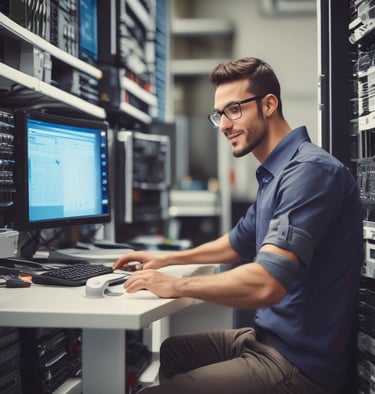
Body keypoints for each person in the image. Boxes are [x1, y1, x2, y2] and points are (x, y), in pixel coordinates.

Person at [113, 57, 364, 394]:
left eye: (234, 110)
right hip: (268, 339)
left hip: (300, 363)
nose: (224, 125)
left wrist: (175, 286)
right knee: (174, 352)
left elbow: (266, 284)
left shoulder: (310, 171)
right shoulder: (276, 173)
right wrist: (166, 261)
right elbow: (236, 242)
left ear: (269, 104)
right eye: (219, 115)